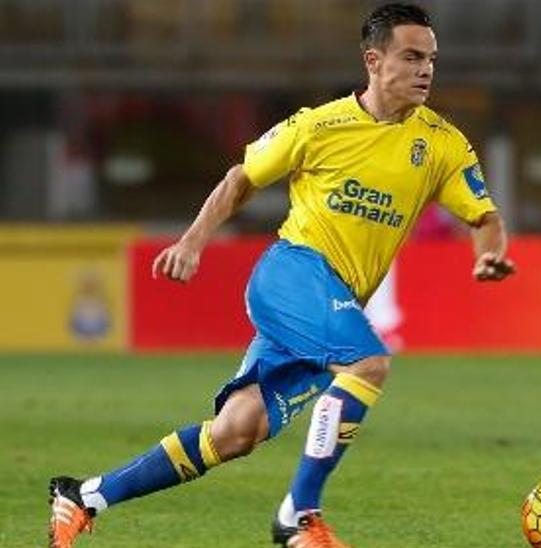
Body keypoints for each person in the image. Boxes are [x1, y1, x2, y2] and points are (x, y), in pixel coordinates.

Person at [47, 4, 516, 547]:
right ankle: (299, 516)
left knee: (237, 431)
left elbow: (483, 215)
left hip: (334, 301)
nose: (426, 70)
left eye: (431, 59)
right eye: (412, 56)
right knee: (369, 362)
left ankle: (84, 496)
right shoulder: (317, 126)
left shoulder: (441, 143)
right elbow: (241, 179)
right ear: (373, 60)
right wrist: (193, 241)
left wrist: (489, 253)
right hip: (293, 274)